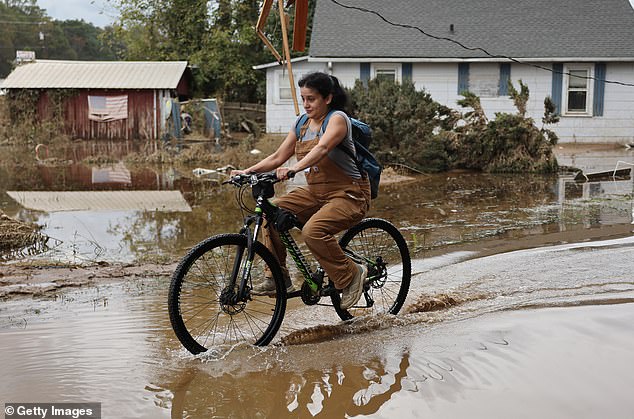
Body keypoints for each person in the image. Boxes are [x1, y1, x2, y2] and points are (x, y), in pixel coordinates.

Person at [231, 72, 371, 309]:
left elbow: (323, 148)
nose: (306, 104)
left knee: (313, 232)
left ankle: (352, 274)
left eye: (311, 99)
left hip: (350, 194)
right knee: (269, 213)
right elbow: (277, 156)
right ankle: (277, 277)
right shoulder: (301, 123)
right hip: (316, 193)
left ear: (327, 98)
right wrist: (246, 171)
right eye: (303, 98)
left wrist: (293, 169)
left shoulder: (337, 119)